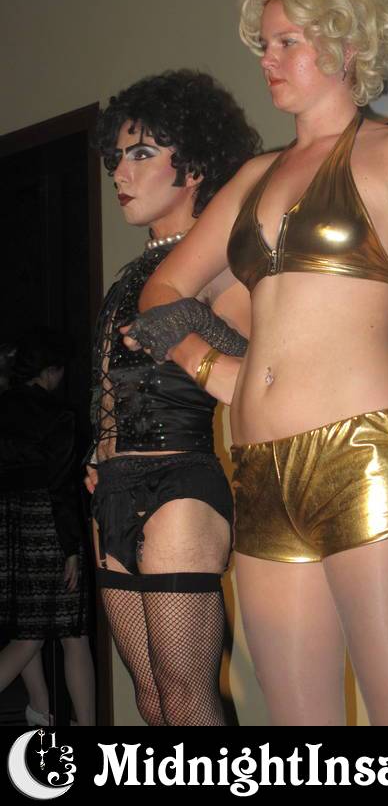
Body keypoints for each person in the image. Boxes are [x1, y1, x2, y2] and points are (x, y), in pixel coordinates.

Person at [126, 0, 388, 725]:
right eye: (263, 45)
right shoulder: (254, 176)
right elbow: (162, 291)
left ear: (346, 45)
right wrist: (211, 367)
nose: (267, 59)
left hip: (363, 458)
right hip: (259, 470)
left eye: (285, 42)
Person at [88, 70, 259, 726]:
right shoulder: (137, 271)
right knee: (153, 701)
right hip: (113, 489)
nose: (119, 173)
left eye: (140, 154)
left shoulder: (214, 265)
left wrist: (193, 329)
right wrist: (98, 451)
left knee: (187, 699)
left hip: (179, 485)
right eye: (115, 157)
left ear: (194, 166)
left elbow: (261, 374)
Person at [0, 328, 95, 726]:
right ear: (50, 370)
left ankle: (40, 710)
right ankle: (85, 726)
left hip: (9, 525)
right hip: (46, 524)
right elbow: (61, 486)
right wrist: (71, 548)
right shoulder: (58, 415)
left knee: (28, 628)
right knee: (69, 634)